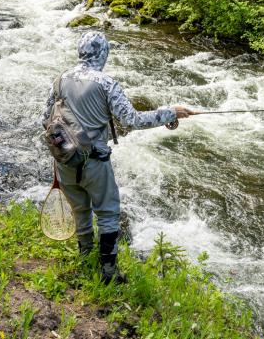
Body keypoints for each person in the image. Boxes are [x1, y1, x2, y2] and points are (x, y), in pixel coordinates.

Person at [43, 31, 192, 283]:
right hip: (94, 162)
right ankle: (109, 274)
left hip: (65, 160)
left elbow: (44, 120)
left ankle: (85, 262)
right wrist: (170, 112)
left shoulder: (58, 80)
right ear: (104, 54)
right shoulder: (106, 83)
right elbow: (132, 120)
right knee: (108, 214)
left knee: (80, 211)